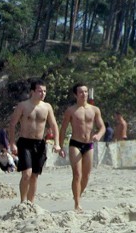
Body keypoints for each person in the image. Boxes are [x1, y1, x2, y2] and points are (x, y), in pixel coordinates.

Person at [7, 79, 60, 203]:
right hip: (25, 142)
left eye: (44, 91)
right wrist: (12, 143)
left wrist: (57, 143)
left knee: (35, 176)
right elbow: (12, 124)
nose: (42, 94)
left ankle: (31, 203)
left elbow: (54, 125)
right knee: (27, 174)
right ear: (32, 92)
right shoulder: (23, 105)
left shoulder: (47, 107)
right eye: (39, 91)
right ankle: (22, 202)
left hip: (39, 143)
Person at [58, 83, 106, 211]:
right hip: (75, 144)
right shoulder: (71, 110)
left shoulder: (95, 110)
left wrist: (99, 135)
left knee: (86, 175)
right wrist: (60, 146)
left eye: (85, 92)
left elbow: (102, 127)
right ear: (75, 94)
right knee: (77, 174)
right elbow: (62, 129)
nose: (83, 94)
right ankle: (77, 204)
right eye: (80, 92)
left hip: (89, 144)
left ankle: (77, 195)